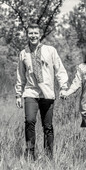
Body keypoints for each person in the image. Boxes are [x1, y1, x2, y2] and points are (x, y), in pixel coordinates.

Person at [15, 23, 68, 160]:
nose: (33, 36)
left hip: (47, 93)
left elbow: (59, 69)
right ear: (27, 35)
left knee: (48, 126)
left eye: (35, 33)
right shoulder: (23, 53)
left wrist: (63, 87)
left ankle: (49, 157)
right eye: (30, 33)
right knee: (30, 121)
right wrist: (18, 95)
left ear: (40, 34)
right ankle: (30, 155)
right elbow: (20, 75)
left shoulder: (50, 50)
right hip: (30, 93)